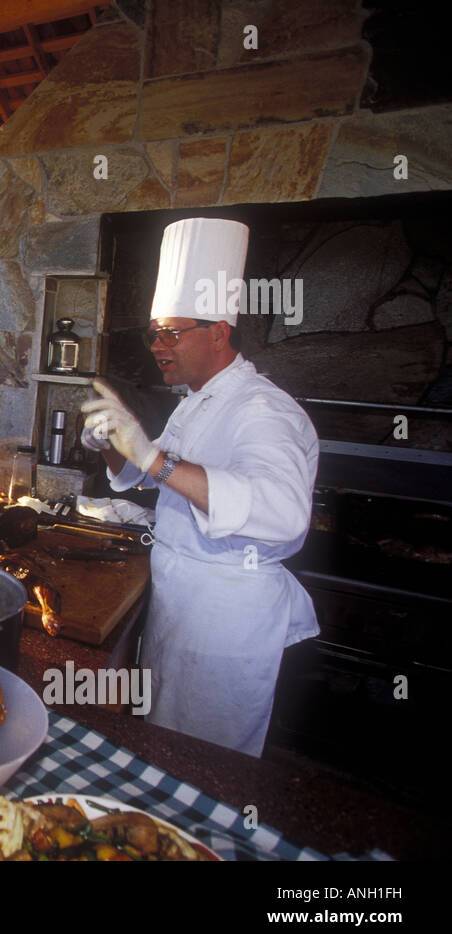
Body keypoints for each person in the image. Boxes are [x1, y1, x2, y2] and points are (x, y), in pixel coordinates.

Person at [80, 217, 319, 756]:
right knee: (160, 750)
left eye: (173, 332)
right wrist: (114, 441)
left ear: (218, 332)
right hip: (179, 608)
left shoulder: (262, 410)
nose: (158, 346)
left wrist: (152, 456)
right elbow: (151, 474)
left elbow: (282, 510)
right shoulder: (198, 400)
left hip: (224, 627)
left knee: (205, 768)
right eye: (154, 333)